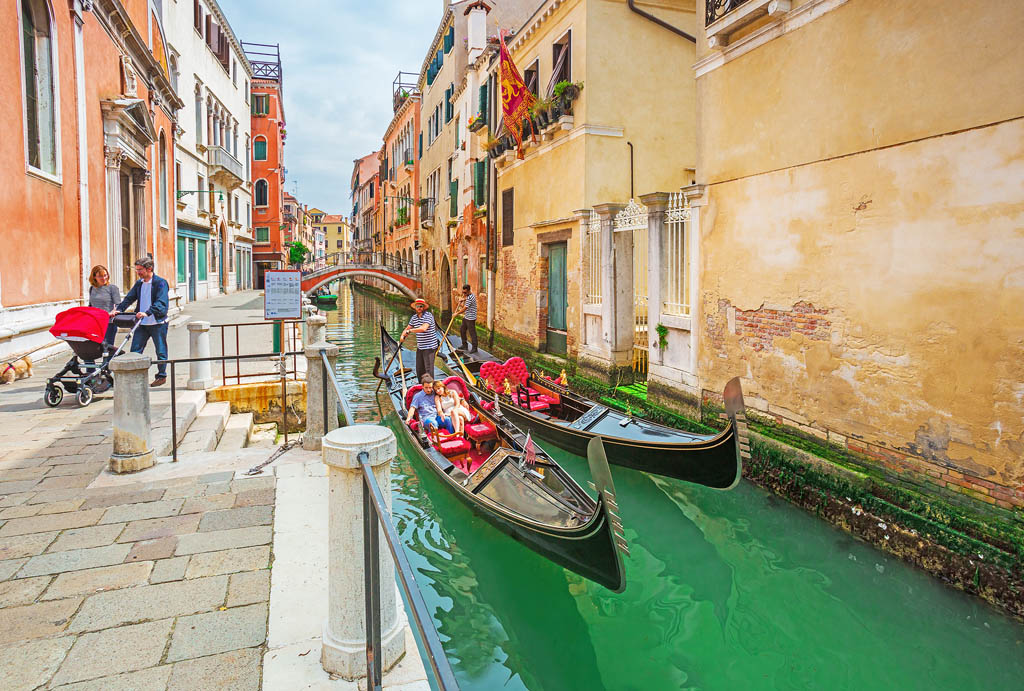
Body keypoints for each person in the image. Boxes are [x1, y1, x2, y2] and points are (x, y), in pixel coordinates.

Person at [115, 257, 170, 387]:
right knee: (135, 350)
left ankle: (161, 376)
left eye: (140, 270)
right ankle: (134, 376)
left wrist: (148, 312)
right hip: (141, 323)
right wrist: (119, 309)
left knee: (161, 350)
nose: (138, 272)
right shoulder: (139, 283)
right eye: (137, 270)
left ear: (149, 269)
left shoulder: (161, 283)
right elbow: (130, 297)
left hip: (157, 323)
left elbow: (161, 302)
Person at [406, 374, 453, 443]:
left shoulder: (435, 392)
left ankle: (451, 437)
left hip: (437, 416)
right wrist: (408, 418)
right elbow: (412, 408)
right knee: (433, 423)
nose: (428, 390)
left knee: (447, 420)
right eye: (426, 387)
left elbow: (447, 393)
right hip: (426, 419)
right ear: (422, 387)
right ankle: (437, 443)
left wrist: (461, 400)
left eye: (430, 387)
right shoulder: (418, 396)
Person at [400, 298, 439, 381]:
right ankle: (421, 386)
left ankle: (430, 387)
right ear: (415, 307)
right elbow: (407, 328)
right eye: (417, 306)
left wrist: (409, 331)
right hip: (420, 347)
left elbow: (423, 328)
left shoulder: (428, 315)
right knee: (419, 369)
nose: (419, 308)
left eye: (421, 306)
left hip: (430, 347)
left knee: (428, 369)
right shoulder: (414, 317)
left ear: (424, 307)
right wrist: (402, 337)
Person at [87, 265, 121, 347]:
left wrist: (113, 311)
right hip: (96, 323)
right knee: (93, 347)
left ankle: (108, 360)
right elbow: (91, 305)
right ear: (94, 277)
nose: (103, 278)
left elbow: (118, 304)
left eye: (105, 275)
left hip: (109, 323)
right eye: (100, 276)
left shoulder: (113, 288)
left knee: (107, 347)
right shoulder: (92, 289)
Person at [456, 284, 478, 353]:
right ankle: (464, 345)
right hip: (466, 317)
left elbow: (464, 308)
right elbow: (466, 299)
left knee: (472, 333)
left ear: (469, 291)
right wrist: (463, 299)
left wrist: (456, 313)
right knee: (462, 330)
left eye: (465, 292)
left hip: (471, 318)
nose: (464, 294)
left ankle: (475, 348)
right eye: (463, 292)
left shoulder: (470, 298)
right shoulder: (469, 296)